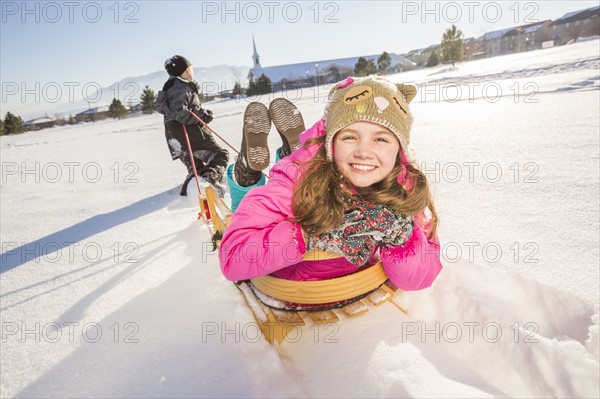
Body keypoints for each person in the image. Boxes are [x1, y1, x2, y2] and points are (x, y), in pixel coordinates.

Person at [219, 76, 442, 292]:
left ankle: (294, 150)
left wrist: (401, 238)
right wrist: (308, 233)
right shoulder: (296, 182)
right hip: (298, 287)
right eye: (350, 137)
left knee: (298, 161)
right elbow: (233, 257)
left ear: (400, 150)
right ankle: (251, 169)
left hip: (353, 285)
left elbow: (421, 277)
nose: (364, 152)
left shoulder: (404, 188)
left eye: (381, 139)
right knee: (250, 199)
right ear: (332, 143)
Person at [156, 55, 229, 196]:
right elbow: (180, 112)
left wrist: (198, 112)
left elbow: (176, 111)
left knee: (196, 170)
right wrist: (202, 115)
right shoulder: (180, 86)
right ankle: (209, 180)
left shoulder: (170, 87)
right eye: (189, 69)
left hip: (176, 140)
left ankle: (189, 194)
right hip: (191, 136)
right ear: (185, 71)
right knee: (221, 155)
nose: (191, 72)